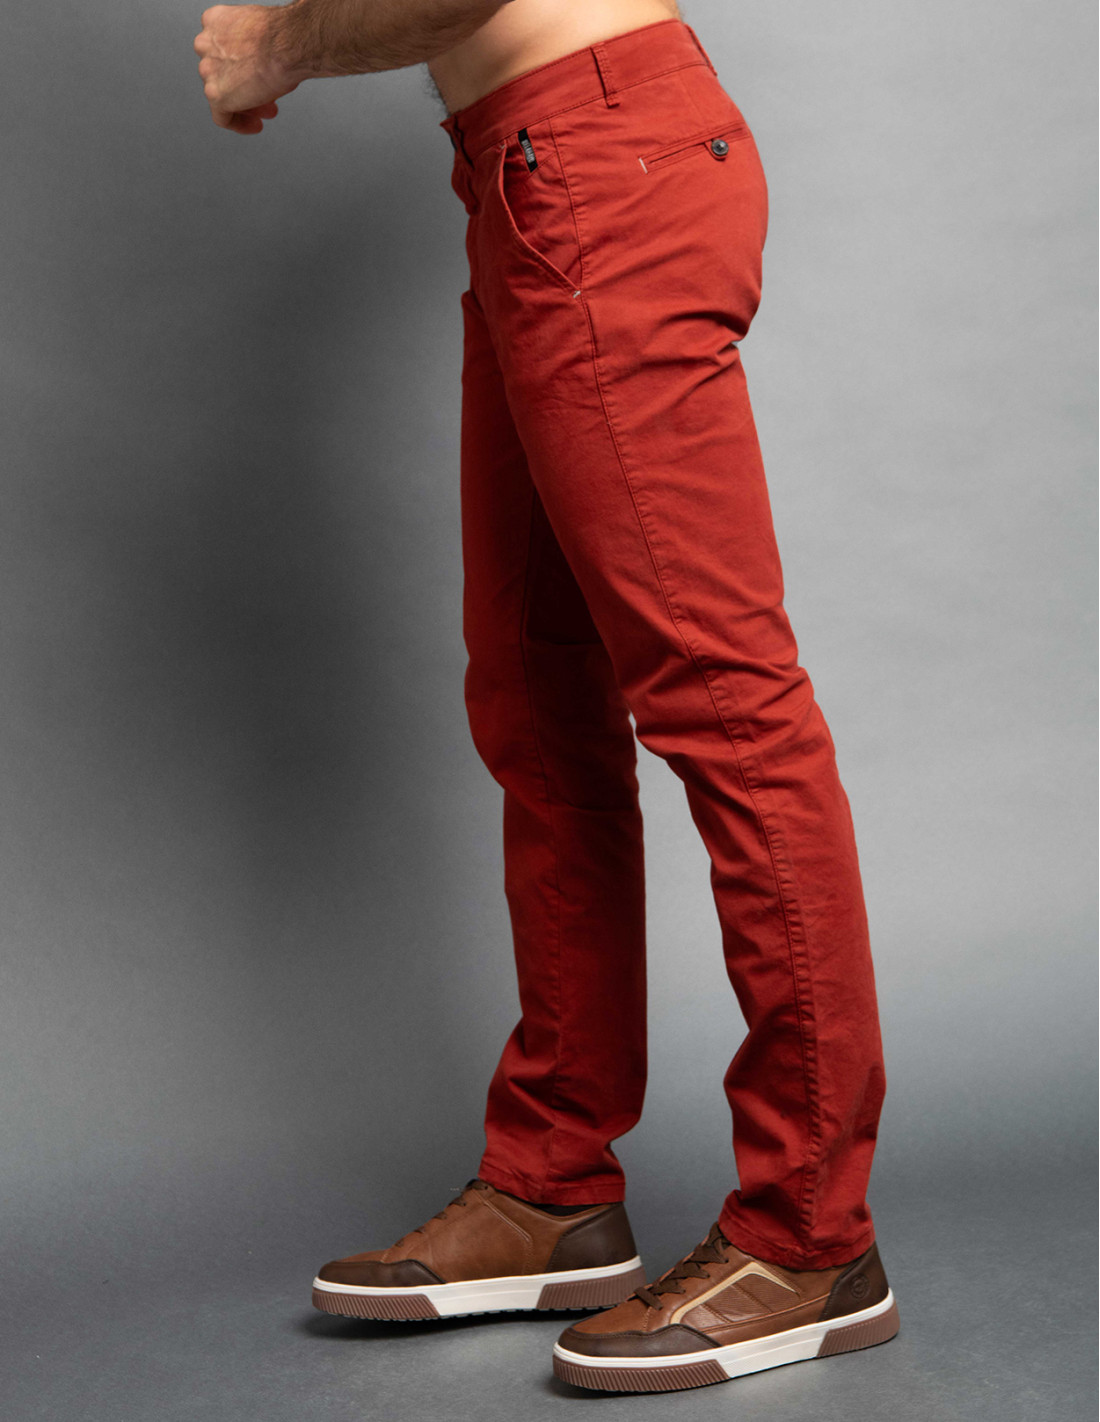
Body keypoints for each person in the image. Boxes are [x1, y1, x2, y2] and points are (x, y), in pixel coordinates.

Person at [193, 0, 900, 1394]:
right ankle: (552, 1181)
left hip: (596, 163)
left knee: (726, 708)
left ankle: (813, 1236)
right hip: (530, 171)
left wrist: (287, 42)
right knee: (537, 701)